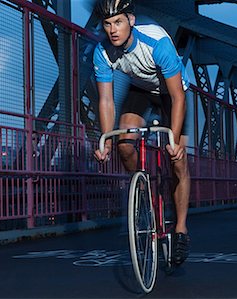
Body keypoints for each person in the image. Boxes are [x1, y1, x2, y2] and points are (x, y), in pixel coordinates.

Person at [92, 0, 191, 265]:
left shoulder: (157, 43)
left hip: (172, 93)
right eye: (108, 24)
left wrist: (174, 139)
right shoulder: (102, 52)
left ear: (131, 21)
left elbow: (177, 97)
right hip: (142, 91)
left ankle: (181, 229)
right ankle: (144, 192)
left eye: (119, 22)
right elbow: (105, 101)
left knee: (178, 161)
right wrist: (106, 142)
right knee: (124, 144)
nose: (113, 30)